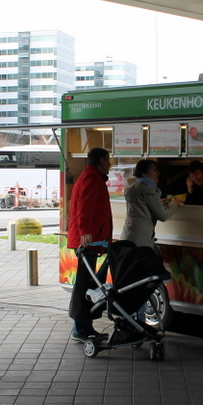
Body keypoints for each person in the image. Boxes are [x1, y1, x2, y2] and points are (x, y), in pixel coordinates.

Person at [67, 147, 112, 342]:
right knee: (85, 285)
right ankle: (81, 327)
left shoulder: (92, 178)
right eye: (108, 160)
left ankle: (84, 326)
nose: (110, 164)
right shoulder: (92, 179)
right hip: (89, 241)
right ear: (102, 160)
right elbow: (84, 208)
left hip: (92, 240)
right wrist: (86, 232)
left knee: (88, 284)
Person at [121, 159, 182, 248]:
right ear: (144, 174)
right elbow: (163, 216)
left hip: (128, 235)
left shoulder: (134, 188)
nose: (158, 173)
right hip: (141, 239)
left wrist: (159, 203)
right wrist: (174, 204)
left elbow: (142, 207)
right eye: (154, 170)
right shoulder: (148, 190)